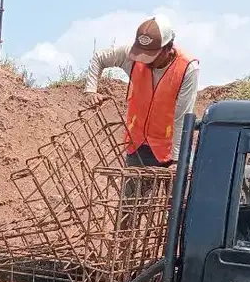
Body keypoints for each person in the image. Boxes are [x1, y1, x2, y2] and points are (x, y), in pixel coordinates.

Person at [83, 14, 199, 168]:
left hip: (168, 149)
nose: (145, 60)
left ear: (168, 48)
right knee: (133, 192)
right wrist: (91, 90)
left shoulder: (187, 68)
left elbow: (182, 117)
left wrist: (177, 160)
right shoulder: (132, 56)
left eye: (152, 56)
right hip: (137, 144)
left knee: (174, 192)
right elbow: (99, 58)